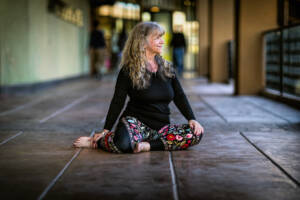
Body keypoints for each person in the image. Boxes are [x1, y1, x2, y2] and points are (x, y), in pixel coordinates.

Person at [73, 22, 204, 153]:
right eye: (157, 37)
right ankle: (97, 141)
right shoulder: (128, 70)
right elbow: (118, 101)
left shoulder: (168, 68)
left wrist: (192, 119)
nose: (162, 41)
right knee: (122, 144)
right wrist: (105, 130)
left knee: (196, 133)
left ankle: (148, 146)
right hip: (135, 124)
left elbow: (179, 96)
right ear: (143, 41)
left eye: (161, 37)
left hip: (162, 127)